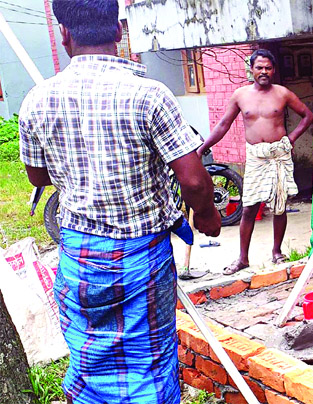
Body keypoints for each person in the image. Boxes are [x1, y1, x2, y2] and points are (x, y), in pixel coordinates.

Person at [18, 1, 221, 403]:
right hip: (140, 258)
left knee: (89, 356)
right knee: (150, 356)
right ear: (119, 31)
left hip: (78, 256)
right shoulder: (150, 95)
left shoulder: (36, 100)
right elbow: (195, 181)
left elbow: (38, 177)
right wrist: (208, 218)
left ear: (64, 34)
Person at [198, 49, 313, 274]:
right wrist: (203, 148)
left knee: (279, 206)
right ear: (251, 69)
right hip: (255, 156)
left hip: (278, 155)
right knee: (249, 207)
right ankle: (242, 259)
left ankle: (277, 252)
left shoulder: (283, 93)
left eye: (268, 68)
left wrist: (290, 138)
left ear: (274, 70)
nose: (264, 72)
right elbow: (223, 124)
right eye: (259, 67)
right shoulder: (240, 95)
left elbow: (308, 116)